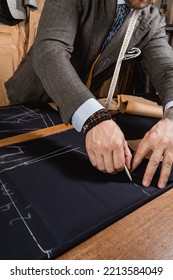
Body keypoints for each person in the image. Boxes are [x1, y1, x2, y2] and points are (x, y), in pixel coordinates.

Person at [5, 0, 173, 189]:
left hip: (81, 111)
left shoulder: (151, 19)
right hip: (34, 100)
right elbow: (50, 51)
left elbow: (168, 70)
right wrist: (94, 118)